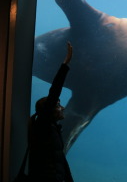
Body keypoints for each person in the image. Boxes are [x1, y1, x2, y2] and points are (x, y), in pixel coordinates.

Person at [29, 42, 74, 182]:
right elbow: (54, 91)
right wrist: (65, 64)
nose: (63, 107)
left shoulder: (53, 129)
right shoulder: (44, 124)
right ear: (48, 110)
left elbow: (61, 160)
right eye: (58, 105)